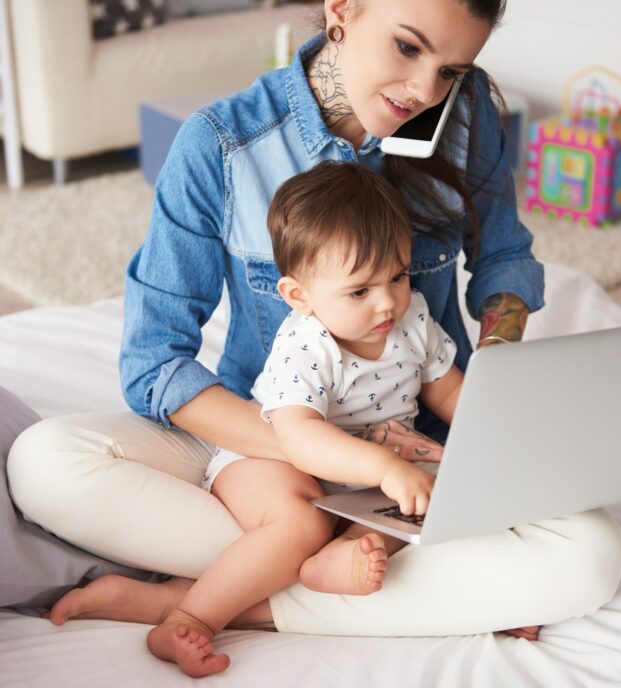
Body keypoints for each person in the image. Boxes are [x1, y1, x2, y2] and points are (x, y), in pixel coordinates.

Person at [7, 0, 621, 654]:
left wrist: (490, 390)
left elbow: (503, 260)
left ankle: (213, 599)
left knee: (593, 553)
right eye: (408, 48)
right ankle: (409, 584)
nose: (425, 92)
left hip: (421, 455)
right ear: (341, 10)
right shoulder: (222, 144)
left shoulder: (465, 118)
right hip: (269, 440)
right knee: (43, 462)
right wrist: (337, 458)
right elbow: (155, 364)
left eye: (452, 69)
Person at [145, 161, 466, 676]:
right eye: (360, 291)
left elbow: (448, 390)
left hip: (370, 470)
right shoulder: (306, 342)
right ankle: (190, 617)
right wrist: (383, 467)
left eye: (398, 276)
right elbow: (300, 438)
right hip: (275, 459)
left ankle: (336, 560)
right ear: (299, 296)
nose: (387, 301)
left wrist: (482, 434)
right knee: (300, 520)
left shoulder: (414, 318)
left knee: (422, 509)